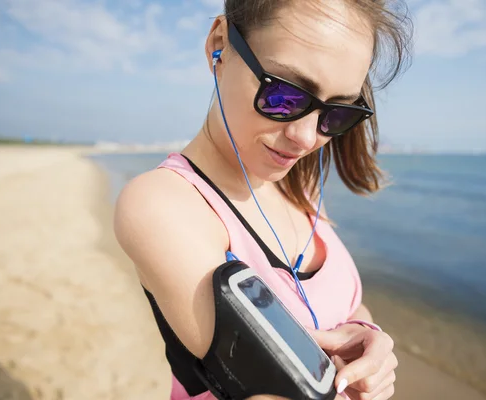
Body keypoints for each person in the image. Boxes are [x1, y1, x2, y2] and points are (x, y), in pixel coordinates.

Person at [114, 0, 413, 399]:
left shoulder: (297, 185)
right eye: (284, 95)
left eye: (335, 114)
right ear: (219, 44)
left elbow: (341, 308)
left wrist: (365, 337)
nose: (307, 139)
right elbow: (274, 386)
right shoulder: (164, 204)